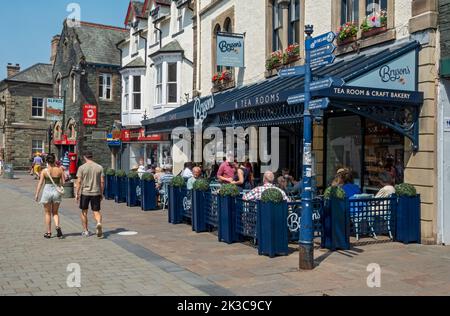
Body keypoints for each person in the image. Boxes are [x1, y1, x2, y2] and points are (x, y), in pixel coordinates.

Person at [34, 154, 65, 239]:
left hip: (47, 191)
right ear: (54, 160)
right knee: (55, 212)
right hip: (56, 192)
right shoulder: (60, 170)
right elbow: (63, 182)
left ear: (47, 161)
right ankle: (58, 226)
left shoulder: (44, 171)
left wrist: (37, 194)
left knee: (47, 213)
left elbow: (40, 183)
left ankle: (48, 232)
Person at [75, 152, 105, 238]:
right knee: (96, 211)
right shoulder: (99, 167)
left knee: (84, 212)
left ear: (85, 157)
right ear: (92, 157)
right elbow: (102, 182)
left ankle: (85, 231)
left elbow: (79, 182)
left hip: (85, 192)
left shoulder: (81, 168)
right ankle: (98, 223)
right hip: (96, 192)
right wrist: (101, 193)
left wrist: (77, 193)